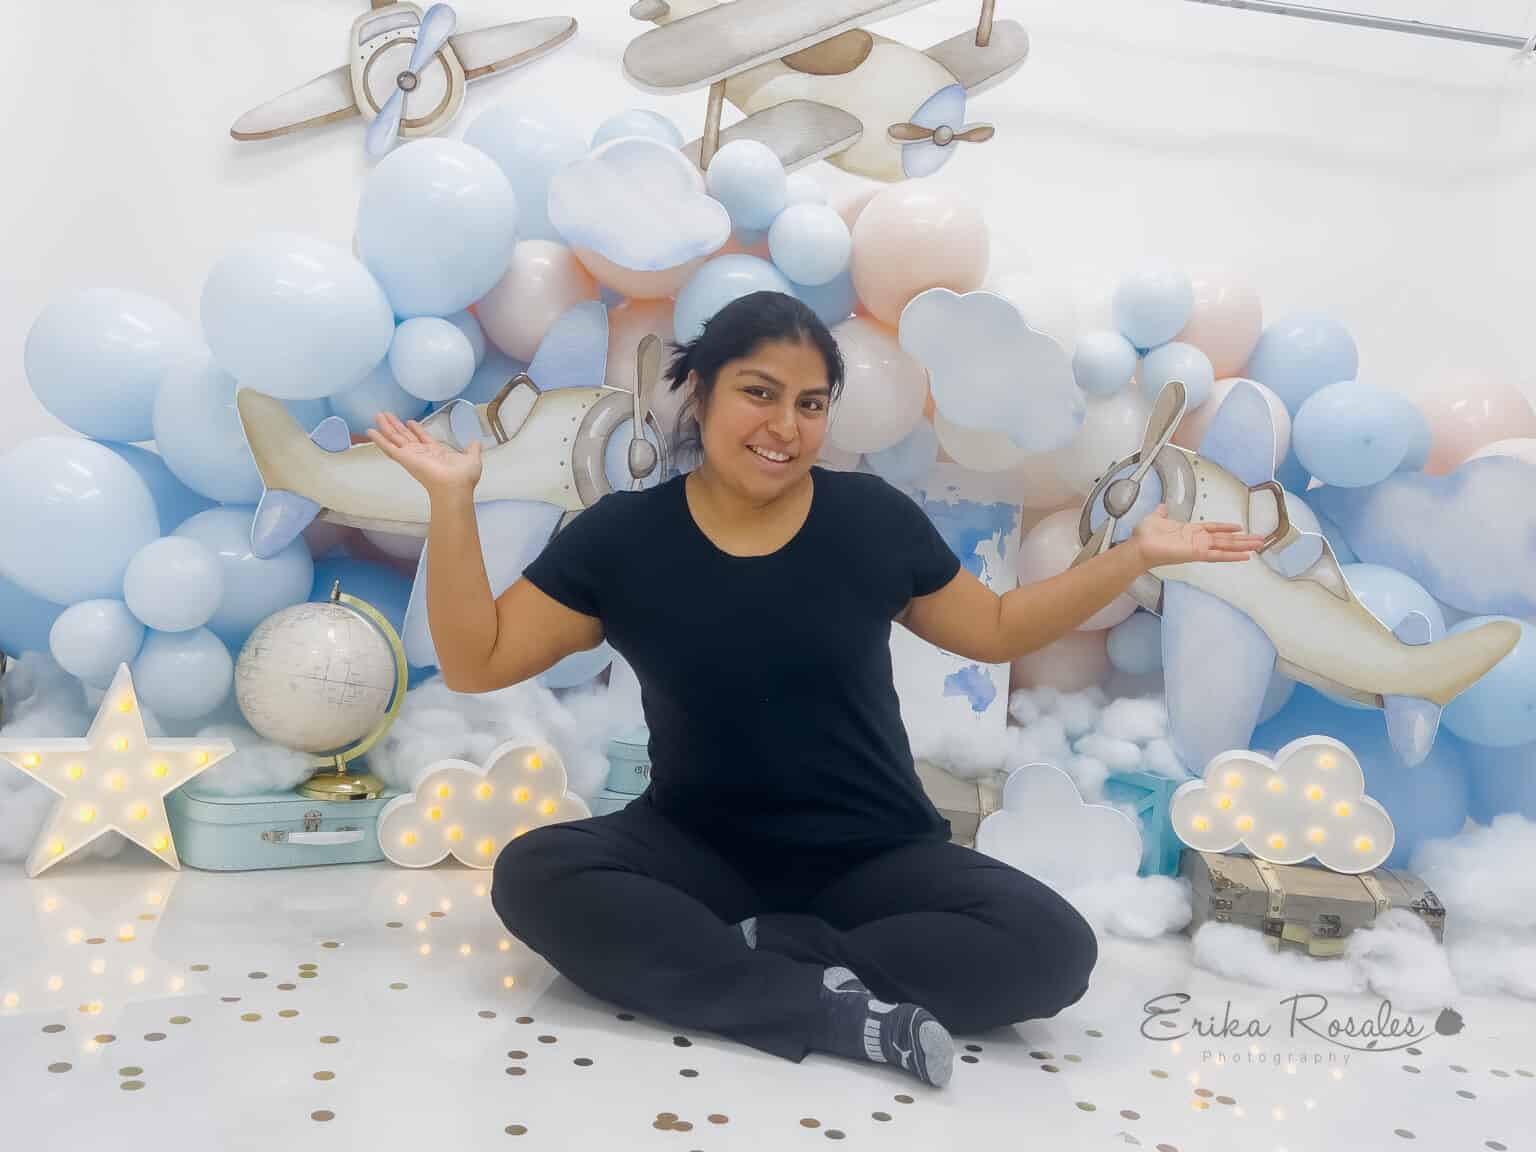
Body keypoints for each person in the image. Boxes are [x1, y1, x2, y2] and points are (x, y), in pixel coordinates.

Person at [367, 291, 1264, 1089]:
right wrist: (453, 502)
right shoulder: (623, 538)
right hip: (694, 847)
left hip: (872, 854)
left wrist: (1133, 556)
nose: (784, 426)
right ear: (702, 392)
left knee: (1053, 948)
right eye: (759, 392)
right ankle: (827, 1009)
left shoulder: (869, 521)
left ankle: (764, 960)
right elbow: (480, 661)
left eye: (810, 403)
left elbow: (995, 629)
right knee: (534, 873)